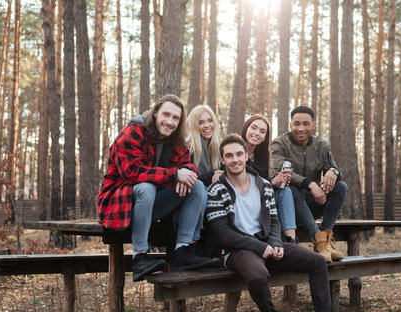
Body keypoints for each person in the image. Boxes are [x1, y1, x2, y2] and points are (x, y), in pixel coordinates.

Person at [206, 134, 345, 312]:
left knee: (318, 261)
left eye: (239, 154)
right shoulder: (216, 191)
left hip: (267, 243)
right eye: (229, 156)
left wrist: (275, 243)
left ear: (246, 156)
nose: (235, 160)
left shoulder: (262, 184)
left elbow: (273, 219)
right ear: (222, 160)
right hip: (238, 250)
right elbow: (224, 234)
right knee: (259, 275)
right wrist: (262, 248)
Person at [97, 94, 215, 282]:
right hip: (122, 203)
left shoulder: (175, 138)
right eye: (166, 115)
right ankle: (139, 256)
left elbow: (188, 165)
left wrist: (185, 172)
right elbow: (131, 172)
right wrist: (175, 175)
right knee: (146, 187)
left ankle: (182, 250)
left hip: (152, 206)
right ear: (155, 113)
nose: (170, 122)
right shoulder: (133, 131)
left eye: (175, 118)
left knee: (197, 186)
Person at [271, 105, 347, 263]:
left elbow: (335, 171)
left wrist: (333, 171)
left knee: (341, 187)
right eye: (296, 124)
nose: (301, 128)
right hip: (289, 206)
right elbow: (282, 172)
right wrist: (311, 184)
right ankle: (318, 239)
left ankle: (326, 236)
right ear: (290, 125)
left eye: (306, 124)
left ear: (313, 125)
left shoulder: (322, 145)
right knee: (291, 188)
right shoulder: (279, 143)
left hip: (312, 205)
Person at [241, 114, 297, 243]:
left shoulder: (263, 155)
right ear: (246, 128)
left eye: (262, 131)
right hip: (241, 200)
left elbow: (262, 180)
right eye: (253, 128)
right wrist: (271, 182)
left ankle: (291, 240)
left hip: (260, 199)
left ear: (264, 137)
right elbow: (243, 181)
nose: (257, 133)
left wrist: (277, 181)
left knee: (285, 191)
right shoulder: (236, 149)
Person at [185, 105, 223, 187]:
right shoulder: (188, 148)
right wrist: (213, 174)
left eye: (210, 120)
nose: (207, 125)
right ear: (193, 125)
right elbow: (193, 182)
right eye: (200, 122)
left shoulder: (217, 147)